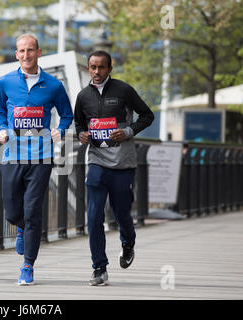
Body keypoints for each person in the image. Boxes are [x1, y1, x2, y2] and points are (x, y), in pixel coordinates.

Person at [0, 34, 74, 286]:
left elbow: (66, 114)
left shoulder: (53, 85)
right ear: (16, 54)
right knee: (12, 211)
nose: (26, 55)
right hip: (11, 155)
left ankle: (27, 266)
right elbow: (0, 112)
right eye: (22, 50)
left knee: (32, 211)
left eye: (31, 50)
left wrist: (60, 131)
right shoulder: (6, 82)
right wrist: (2, 128)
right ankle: (20, 227)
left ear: (39, 53)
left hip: (41, 156)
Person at [74, 50, 154, 286]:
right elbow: (79, 122)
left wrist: (128, 131)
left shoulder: (123, 90)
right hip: (97, 160)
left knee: (121, 214)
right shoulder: (83, 95)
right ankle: (99, 267)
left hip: (122, 163)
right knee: (94, 215)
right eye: (92, 67)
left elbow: (147, 115)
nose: (96, 72)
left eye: (101, 67)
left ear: (110, 68)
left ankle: (128, 243)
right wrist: (81, 134)